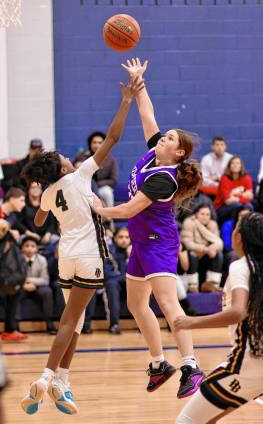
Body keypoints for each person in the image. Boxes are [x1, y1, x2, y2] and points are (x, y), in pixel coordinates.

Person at [20, 76, 144, 415]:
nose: (69, 157)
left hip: (66, 257)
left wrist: (42, 205)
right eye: (64, 157)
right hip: (88, 256)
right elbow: (114, 137)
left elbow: (39, 221)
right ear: (62, 166)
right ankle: (47, 377)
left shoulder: (47, 192)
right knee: (70, 320)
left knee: (74, 320)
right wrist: (127, 101)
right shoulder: (80, 175)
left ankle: (63, 382)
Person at [92, 58, 204, 398]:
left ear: (178, 151)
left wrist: (100, 210)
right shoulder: (155, 154)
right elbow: (147, 115)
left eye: (168, 137)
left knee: (169, 306)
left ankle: (190, 365)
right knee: (136, 305)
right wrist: (140, 84)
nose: (162, 136)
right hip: (142, 242)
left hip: (159, 242)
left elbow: (129, 209)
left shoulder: (163, 179)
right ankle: (158, 363)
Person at [174, 212, 263, 424]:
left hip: (249, 363)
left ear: (239, 237)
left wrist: (191, 322)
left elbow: (238, 312)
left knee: (187, 421)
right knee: (208, 417)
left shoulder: (242, 266)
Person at [181, 204, 224, 292]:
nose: (205, 217)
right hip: (193, 252)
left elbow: (219, 243)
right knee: (192, 254)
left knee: (218, 255)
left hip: (207, 253)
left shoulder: (213, 224)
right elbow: (187, 243)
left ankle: (212, 284)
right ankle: (192, 285)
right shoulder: (189, 222)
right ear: (196, 214)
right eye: (202, 214)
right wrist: (205, 249)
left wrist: (213, 248)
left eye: (207, 214)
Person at [20, 236, 56, 335]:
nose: (29, 248)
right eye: (26, 246)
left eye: (32, 246)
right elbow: (16, 277)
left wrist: (31, 282)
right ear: (22, 248)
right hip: (22, 286)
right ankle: (15, 326)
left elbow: (45, 280)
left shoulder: (42, 260)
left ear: (36, 248)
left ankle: (49, 324)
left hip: (37, 287)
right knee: (14, 292)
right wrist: (23, 284)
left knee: (47, 291)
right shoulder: (18, 259)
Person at [214, 155, 253, 225]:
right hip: (221, 207)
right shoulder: (224, 178)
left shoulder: (247, 177)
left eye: (238, 163)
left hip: (240, 204)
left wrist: (233, 194)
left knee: (249, 207)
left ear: (241, 166)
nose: (235, 165)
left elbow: (250, 197)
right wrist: (242, 195)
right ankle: (234, 230)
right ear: (229, 166)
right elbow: (227, 201)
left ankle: (249, 229)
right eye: (233, 163)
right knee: (237, 206)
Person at [86, 131, 118, 207]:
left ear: (104, 145)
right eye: (94, 142)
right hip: (85, 188)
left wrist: (96, 184)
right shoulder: (83, 156)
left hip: (100, 188)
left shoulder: (111, 160)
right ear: (90, 144)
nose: (97, 145)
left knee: (107, 192)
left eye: (100, 143)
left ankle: (109, 217)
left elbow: (113, 180)